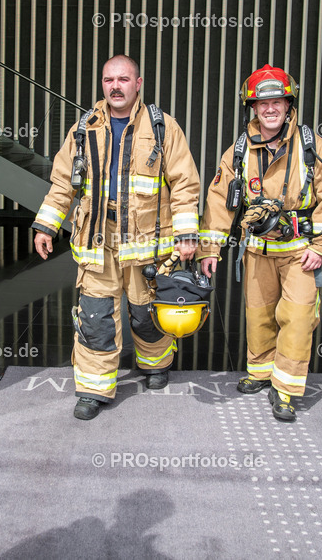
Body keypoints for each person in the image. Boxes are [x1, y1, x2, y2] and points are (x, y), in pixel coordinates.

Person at [33, 55, 201, 420]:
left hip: (146, 242)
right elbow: (62, 182)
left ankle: (155, 364)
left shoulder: (162, 126)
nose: (115, 86)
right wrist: (46, 225)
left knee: (146, 312)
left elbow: (185, 183)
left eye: (123, 79)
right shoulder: (85, 128)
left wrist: (187, 233)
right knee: (96, 318)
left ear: (138, 84)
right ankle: (93, 388)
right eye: (109, 79)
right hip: (98, 241)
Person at [197, 65, 322, 422]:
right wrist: (210, 249)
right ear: (253, 108)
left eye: (277, 101)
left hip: (300, 252)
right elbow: (218, 201)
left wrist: (320, 246)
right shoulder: (239, 151)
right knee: (259, 315)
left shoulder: (312, 146)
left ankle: (286, 389)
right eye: (263, 104)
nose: (270, 109)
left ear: (289, 104)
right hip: (257, 250)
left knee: (297, 317)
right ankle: (261, 371)